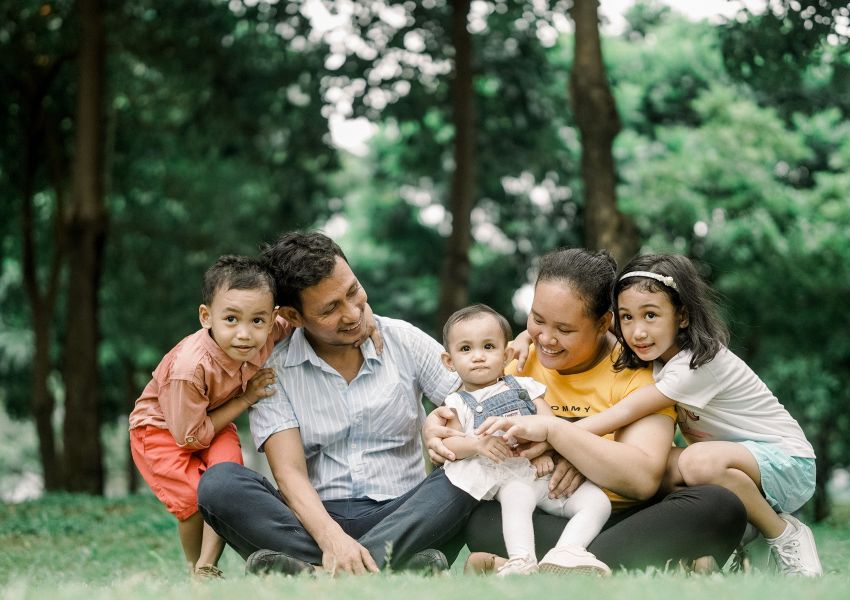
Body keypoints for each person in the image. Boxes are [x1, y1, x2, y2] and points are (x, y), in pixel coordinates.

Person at [425, 247, 748, 573]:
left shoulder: (638, 370)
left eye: (564, 330)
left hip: (624, 515)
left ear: (603, 323)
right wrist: (435, 427)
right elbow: (463, 420)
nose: (546, 339)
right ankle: (612, 563)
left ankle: (548, 565)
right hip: (538, 512)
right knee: (481, 517)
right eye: (537, 320)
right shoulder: (516, 358)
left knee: (721, 506)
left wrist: (563, 439)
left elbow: (643, 479)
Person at [197, 231, 479, 577]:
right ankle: (393, 568)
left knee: (474, 467)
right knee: (219, 483)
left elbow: (478, 398)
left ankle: (316, 574)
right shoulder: (275, 372)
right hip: (314, 523)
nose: (352, 313)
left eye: (353, 291)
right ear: (293, 316)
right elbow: (289, 475)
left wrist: (445, 423)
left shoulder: (401, 340)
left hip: (405, 513)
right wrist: (333, 540)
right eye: (331, 309)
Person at [569, 253, 821, 576]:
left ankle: (784, 534)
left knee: (695, 462)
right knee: (646, 465)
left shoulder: (699, 363)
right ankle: (724, 541)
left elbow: (627, 410)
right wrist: (526, 338)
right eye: (627, 317)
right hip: (733, 466)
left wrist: (563, 436)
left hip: (790, 462)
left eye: (650, 315)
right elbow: (587, 333)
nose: (637, 331)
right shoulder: (657, 351)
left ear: (682, 316)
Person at [129, 255, 288, 578]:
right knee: (191, 501)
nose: (244, 334)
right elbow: (189, 437)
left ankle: (207, 566)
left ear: (271, 321)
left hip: (212, 421)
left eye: (257, 321)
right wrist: (246, 397)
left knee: (226, 483)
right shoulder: (190, 369)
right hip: (162, 430)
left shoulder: (267, 333)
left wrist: (366, 317)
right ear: (206, 316)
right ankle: (196, 570)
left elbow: (305, 316)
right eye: (231, 319)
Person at [439, 304, 611, 576]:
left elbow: (549, 425)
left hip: (545, 476)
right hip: (509, 478)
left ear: (506, 354)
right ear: (449, 361)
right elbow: (449, 445)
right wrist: (476, 444)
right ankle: (522, 559)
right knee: (516, 499)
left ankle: (566, 551)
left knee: (598, 502)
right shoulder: (457, 403)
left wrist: (544, 452)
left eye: (488, 347)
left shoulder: (524, 387)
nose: (478, 357)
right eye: (465, 349)